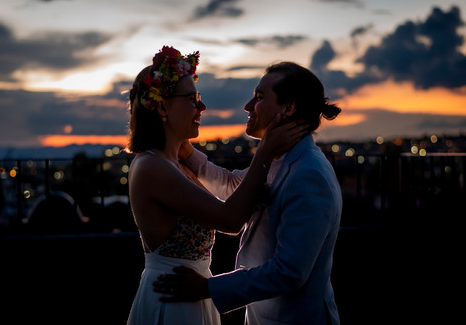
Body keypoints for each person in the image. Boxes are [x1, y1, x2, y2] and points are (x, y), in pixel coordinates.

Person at [125, 47, 306, 325]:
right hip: (172, 300)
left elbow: (233, 187)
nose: (202, 107)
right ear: (162, 107)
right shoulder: (152, 166)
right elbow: (231, 219)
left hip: (190, 296)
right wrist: (265, 151)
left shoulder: (176, 164)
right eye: (192, 99)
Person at [154, 62, 343, 324]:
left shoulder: (309, 175)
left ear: (288, 108)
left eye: (259, 97)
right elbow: (233, 185)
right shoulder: (281, 160)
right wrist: (183, 148)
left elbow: (289, 272)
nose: (248, 106)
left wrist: (207, 288)